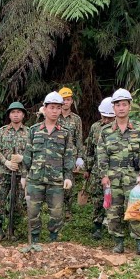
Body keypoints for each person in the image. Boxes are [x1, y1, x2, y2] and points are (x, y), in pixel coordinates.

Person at [96, 88, 140, 256]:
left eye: (124, 104)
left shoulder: (139, 128)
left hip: (133, 177)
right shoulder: (105, 131)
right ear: (113, 107)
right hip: (112, 177)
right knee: (113, 212)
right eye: (118, 105)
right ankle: (118, 242)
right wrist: (103, 175)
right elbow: (101, 154)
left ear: (129, 106)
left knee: (137, 209)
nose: (121, 108)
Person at [22, 92, 75, 248]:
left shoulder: (65, 133)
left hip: (56, 179)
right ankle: (35, 240)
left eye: (58, 108)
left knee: (57, 212)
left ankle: (53, 240)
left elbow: (68, 155)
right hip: (35, 179)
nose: (55, 111)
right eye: (51, 107)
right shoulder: (33, 130)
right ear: (44, 109)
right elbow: (27, 154)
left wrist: (68, 176)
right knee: (32, 212)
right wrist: (24, 176)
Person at [0, 101, 29, 241]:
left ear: (23, 115)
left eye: (19, 112)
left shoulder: (28, 132)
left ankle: (13, 230)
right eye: (13, 112)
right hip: (5, 172)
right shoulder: (2, 131)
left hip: (21, 173)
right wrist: (6, 162)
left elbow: (33, 152)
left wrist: (23, 158)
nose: (16, 115)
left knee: (18, 202)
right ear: (9, 115)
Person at [84, 97, 114, 239]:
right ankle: (97, 226)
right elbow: (89, 149)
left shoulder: (120, 128)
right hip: (97, 170)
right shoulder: (95, 127)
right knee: (97, 198)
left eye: (110, 117)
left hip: (115, 170)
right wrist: (87, 169)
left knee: (116, 198)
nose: (107, 120)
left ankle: (114, 226)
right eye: (105, 117)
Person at [57, 87, 85, 218]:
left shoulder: (76, 119)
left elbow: (79, 139)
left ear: (71, 101)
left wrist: (80, 157)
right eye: (63, 100)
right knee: (56, 182)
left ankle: (68, 210)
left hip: (70, 154)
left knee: (69, 182)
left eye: (67, 100)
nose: (65, 102)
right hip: (56, 153)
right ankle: (57, 209)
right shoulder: (54, 116)